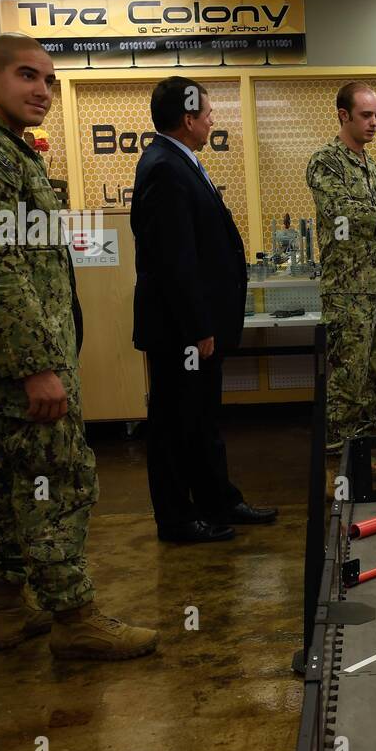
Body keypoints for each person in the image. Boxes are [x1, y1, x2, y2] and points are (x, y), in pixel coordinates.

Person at [0, 33, 157, 660]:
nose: (42, 92)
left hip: (9, 355)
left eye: (49, 81)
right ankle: (75, 617)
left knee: (7, 481)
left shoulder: (8, 151)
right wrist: (37, 366)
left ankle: (6, 609)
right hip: (18, 361)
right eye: (28, 76)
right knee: (58, 478)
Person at [131, 76, 276, 543]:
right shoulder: (164, 167)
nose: (214, 120)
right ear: (189, 118)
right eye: (209, 113)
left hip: (197, 326)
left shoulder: (182, 162)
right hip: (180, 331)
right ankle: (176, 520)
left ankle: (218, 501)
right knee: (175, 425)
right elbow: (174, 258)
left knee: (202, 419)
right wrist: (197, 326)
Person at [306, 81, 376, 480]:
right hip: (347, 292)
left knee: (374, 379)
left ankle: (361, 459)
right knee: (345, 380)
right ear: (344, 116)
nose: (374, 123)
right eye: (366, 115)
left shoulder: (372, 168)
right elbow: (339, 211)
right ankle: (331, 469)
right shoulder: (326, 162)